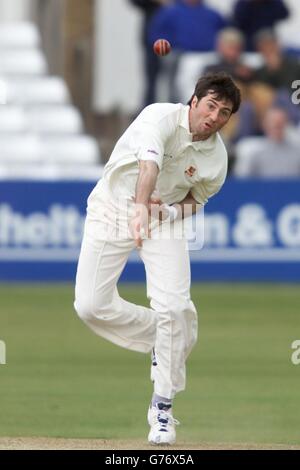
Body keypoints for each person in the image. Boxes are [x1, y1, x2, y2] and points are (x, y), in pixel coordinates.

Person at [74, 72, 241, 445]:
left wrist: (163, 213)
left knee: (175, 307)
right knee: (90, 305)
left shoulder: (217, 158)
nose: (214, 116)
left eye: (224, 112)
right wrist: (139, 209)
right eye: (211, 105)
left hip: (162, 219)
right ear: (194, 101)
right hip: (113, 208)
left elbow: (196, 201)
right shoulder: (159, 116)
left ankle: (162, 409)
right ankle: (161, 335)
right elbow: (148, 166)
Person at [233, 107, 300, 177]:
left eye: (280, 124)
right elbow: (242, 180)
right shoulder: (253, 151)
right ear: (265, 125)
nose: (277, 127)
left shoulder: (297, 151)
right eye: (274, 124)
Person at [129, 0, 172, 106]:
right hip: (152, 39)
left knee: (175, 81)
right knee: (151, 80)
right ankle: (148, 110)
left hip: (176, 39)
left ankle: (175, 111)